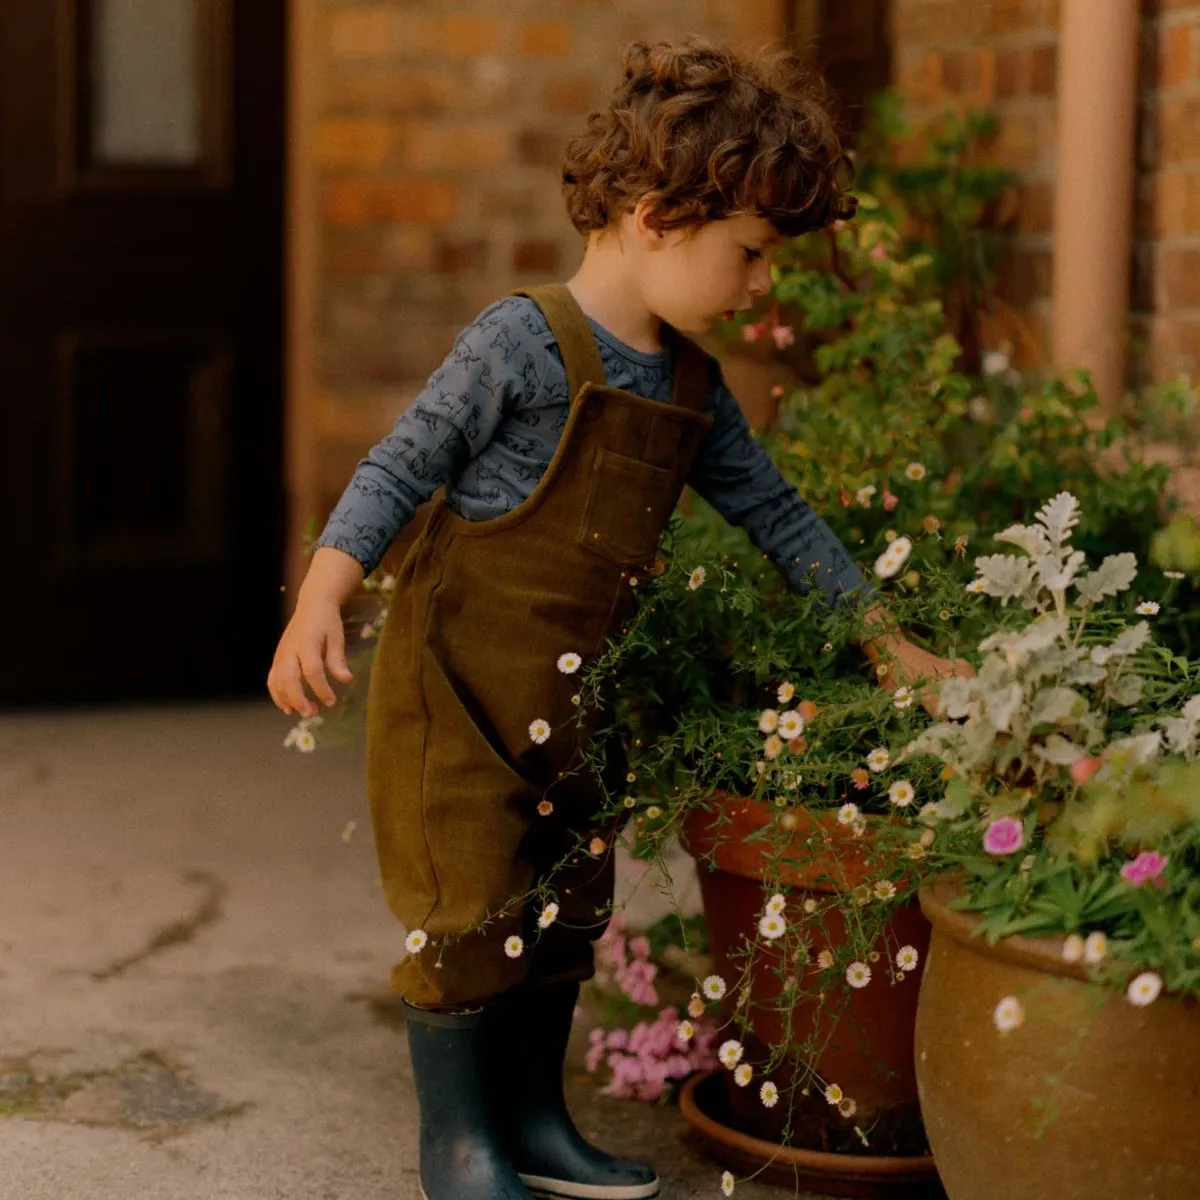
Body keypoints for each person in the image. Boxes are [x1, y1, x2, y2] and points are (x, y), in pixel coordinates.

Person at [268, 37, 966, 1200]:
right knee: (468, 915)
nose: (756, 286)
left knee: (561, 908)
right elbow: (401, 465)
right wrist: (324, 594)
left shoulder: (692, 389)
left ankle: (535, 1122)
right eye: (746, 255)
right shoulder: (521, 344)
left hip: (574, 706)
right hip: (461, 701)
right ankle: (460, 1145)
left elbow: (781, 519)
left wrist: (884, 643)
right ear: (657, 215)